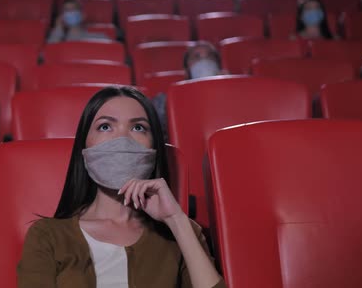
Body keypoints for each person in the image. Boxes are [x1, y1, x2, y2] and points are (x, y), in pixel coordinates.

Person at [18, 86, 225, 287]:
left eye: (138, 127)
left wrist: (176, 220)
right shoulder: (47, 235)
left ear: (153, 148)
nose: (122, 139)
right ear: (85, 146)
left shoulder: (182, 232)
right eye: (105, 126)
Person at [151, 42, 226, 139]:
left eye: (210, 56)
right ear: (186, 71)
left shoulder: (236, 95)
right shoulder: (167, 100)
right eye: (197, 57)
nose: (204, 61)